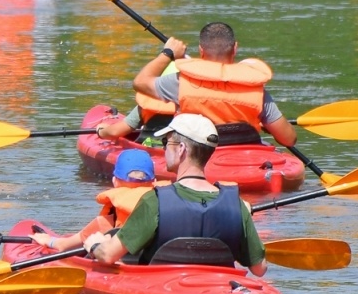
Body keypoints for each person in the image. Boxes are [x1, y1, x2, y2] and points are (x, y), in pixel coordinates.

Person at [79, 115, 267, 275]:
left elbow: (108, 255)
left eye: (165, 143)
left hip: (161, 290)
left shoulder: (155, 201)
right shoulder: (236, 204)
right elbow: (259, 269)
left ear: (181, 149)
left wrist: (95, 245)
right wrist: (239, 218)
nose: (163, 149)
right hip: (219, 290)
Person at [93, 21, 297, 149]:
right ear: (235, 48)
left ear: (201, 50)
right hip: (245, 157)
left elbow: (140, 83)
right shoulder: (256, 90)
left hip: (200, 160)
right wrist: (265, 125)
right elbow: (289, 139)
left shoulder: (181, 83)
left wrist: (167, 54)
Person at [29, 149, 157, 253]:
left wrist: (49, 241)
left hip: (121, 263)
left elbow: (63, 246)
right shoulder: (163, 205)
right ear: (155, 182)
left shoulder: (106, 222)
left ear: (114, 181)